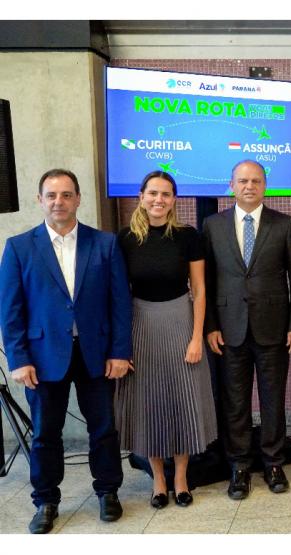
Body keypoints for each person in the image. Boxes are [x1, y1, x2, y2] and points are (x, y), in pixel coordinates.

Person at [0, 169, 132, 533]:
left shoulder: (104, 244)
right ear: (39, 200)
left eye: (66, 194)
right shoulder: (19, 247)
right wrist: (19, 358)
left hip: (97, 353)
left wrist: (120, 351)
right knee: (45, 433)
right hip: (42, 359)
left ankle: (108, 491)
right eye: (51, 195)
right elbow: (10, 310)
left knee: (104, 428)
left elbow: (120, 304)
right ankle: (45, 500)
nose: (59, 201)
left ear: (78, 198)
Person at [202, 160, 291, 500]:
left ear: (265, 186)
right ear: (231, 185)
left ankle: (274, 462)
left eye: (256, 181)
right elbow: (206, 281)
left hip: (274, 330)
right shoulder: (212, 225)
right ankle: (239, 466)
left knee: (273, 398)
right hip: (229, 330)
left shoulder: (284, 224)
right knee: (235, 402)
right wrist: (211, 327)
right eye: (243, 181)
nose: (249, 186)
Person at [115, 171, 218, 509]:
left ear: (175, 199)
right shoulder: (124, 239)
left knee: (183, 400)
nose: (159, 200)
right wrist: (122, 345)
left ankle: (181, 477)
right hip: (140, 324)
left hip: (180, 321)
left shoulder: (188, 236)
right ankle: (158, 478)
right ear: (141, 195)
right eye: (153, 193)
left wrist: (196, 337)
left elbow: (200, 290)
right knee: (150, 403)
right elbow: (119, 294)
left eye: (166, 194)